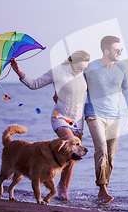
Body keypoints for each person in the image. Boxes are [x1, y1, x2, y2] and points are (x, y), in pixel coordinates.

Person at [9, 50, 90, 199]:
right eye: (79, 67)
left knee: (72, 157)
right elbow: (34, 84)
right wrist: (19, 71)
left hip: (78, 123)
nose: (82, 70)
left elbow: (92, 92)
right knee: (71, 150)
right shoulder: (58, 71)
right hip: (60, 118)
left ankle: (61, 186)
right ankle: (59, 188)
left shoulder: (84, 74)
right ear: (72, 62)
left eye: (84, 68)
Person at [85, 36, 128, 204]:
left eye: (120, 50)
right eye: (117, 50)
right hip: (94, 114)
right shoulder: (91, 67)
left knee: (111, 156)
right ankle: (103, 189)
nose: (120, 53)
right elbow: (79, 87)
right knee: (101, 150)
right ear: (106, 51)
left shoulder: (121, 68)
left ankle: (103, 187)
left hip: (115, 116)